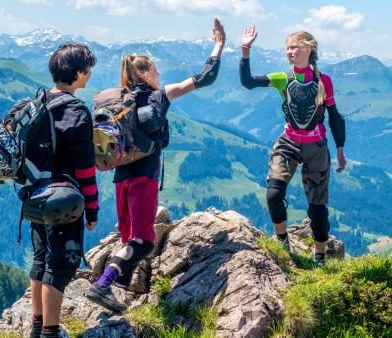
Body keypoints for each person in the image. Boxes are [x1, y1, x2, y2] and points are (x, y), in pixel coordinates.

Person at [86, 18, 225, 311]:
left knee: (129, 240)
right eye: (156, 69)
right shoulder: (159, 95)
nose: (160, 73)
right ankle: (102, 285)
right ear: (146, 73)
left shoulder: (117, 100)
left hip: (120, 177)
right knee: (145, 240)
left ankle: (120, 295)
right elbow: (205, 77)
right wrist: (218, 45)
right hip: (144, 179)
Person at [239, 25, 346, 266]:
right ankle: (282, 241)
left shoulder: (323, 81)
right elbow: (248, 82)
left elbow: (334, 115)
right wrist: (245, 51)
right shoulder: (283, 79)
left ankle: (319, 256)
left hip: (316, 146)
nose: (289, 51)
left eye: (294, 47)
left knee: (317, 207)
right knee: (274, 194)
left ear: (308, 49)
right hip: (288, 142)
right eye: (287, 48)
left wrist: (340, 148)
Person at [28, 42, 99, 338]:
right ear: (80, 73)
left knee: (40, 260)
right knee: (60, 267)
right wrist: (92, 210)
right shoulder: (77, 112)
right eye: (89, 69)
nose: (90, 73)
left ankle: (36, 326)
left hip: (35, 196)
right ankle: (50, 333)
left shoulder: (38, 102)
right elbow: (85, 170)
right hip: (63, 201)